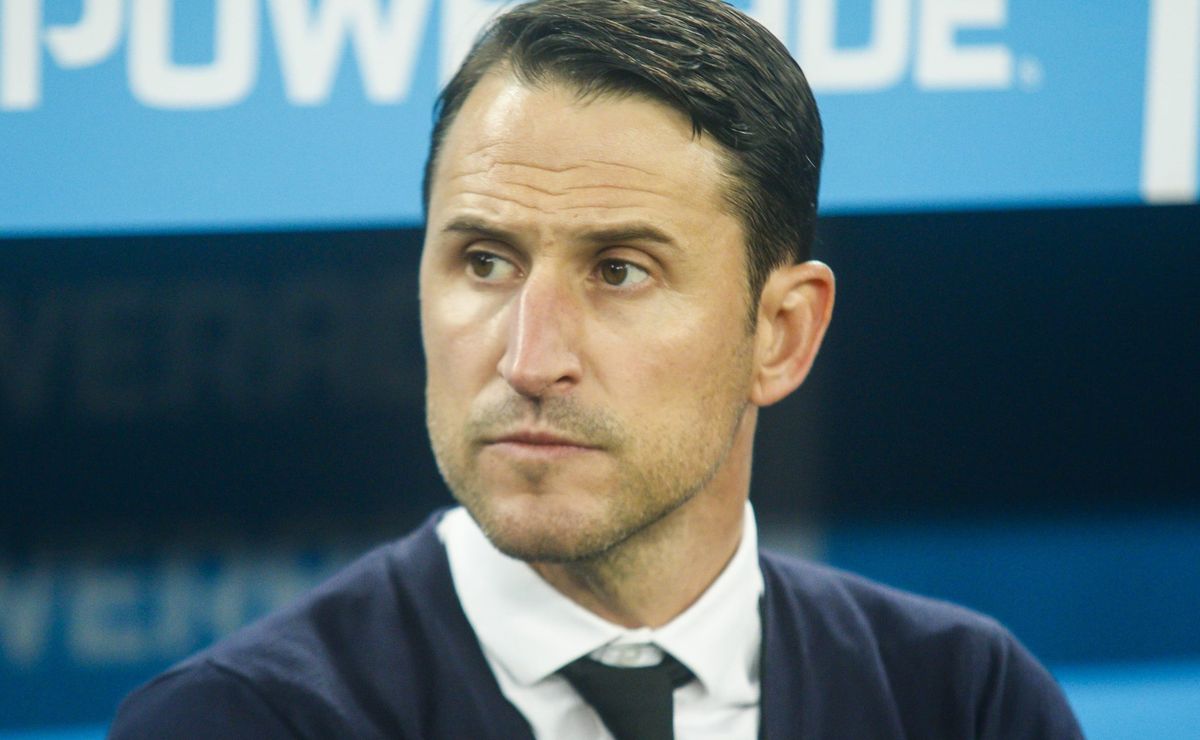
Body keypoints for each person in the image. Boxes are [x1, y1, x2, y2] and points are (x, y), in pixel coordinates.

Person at [110, 0, 1083, 737]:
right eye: (484, 261)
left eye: (620, 270)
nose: (529, 359)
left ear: (782, 333)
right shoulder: (234, 722)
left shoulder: (964, 704)